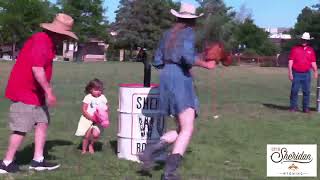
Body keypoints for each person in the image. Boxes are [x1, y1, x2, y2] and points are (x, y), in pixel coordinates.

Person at [138, 3, 215, 180]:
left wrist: (173, 65)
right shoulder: (189, 33)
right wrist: (205, 64)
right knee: (188, 128)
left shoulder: (167, 34)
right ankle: (169, 173)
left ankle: (150, 151)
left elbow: (157, 61)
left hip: (166, 77)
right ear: (193, 20)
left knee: (181, 127)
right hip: (180, 79)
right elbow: (187, 58)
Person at [0, 13, 78, 174]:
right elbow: (37, 68)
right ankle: (6, 163)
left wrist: (44, 92)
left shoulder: (48, 42)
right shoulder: (41, 40)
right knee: (21, 128)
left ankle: (38, 160)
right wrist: (48, 91)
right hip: (25, 92)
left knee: (42, 122)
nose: (64, 39)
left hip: (36, 93)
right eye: (63, 35)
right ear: (56, 32)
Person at [75, 78, 109, 154]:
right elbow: (84, 110)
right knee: (87, 136)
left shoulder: (103, 97)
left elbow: (106, 108)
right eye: (96, 90)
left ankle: (91, 145)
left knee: (95, 135)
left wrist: (103, 116)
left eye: (100, 90)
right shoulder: (88, 97)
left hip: (98, 121)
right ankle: (84, 149)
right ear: (90, 89)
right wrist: (91, 117)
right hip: (88, 119)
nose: (98, 92)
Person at [288, 32, 318, 113]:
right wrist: (290, 72)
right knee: (294, 90)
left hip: (306, 74)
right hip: (296, 73)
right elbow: (291, 61)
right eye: (303, 39)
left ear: (308, 41)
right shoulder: (295, 49)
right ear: (301, 39)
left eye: (306, 40)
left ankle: (305, 108)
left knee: (306, 91)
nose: (304, 41)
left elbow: (313, 62)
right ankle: (293, 107)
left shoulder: (311, 50)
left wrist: (315, 71)